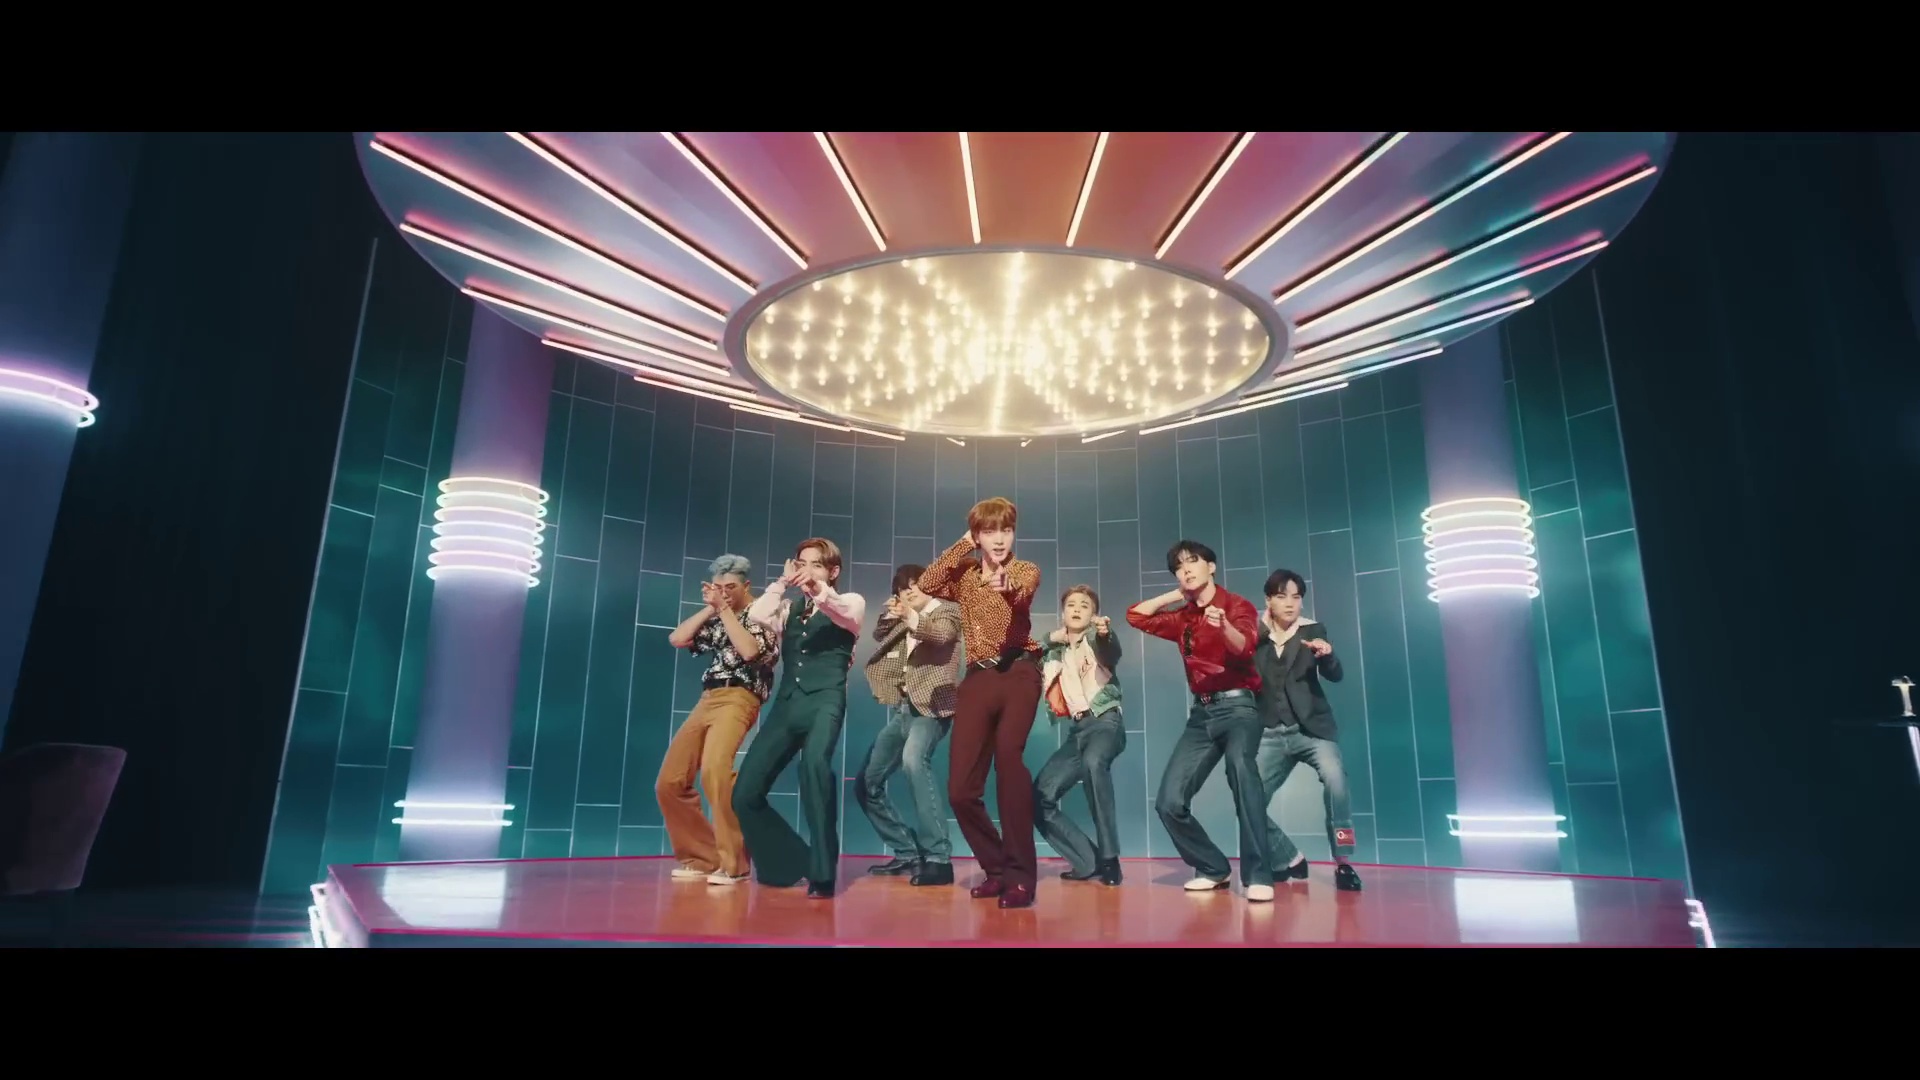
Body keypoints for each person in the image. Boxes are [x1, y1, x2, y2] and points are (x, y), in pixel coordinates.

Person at [1128, 540, 1277, 902]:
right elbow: (1136, 616)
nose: (1186, 570)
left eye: (1193, 562)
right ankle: (1212, 867)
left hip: (1239, 708)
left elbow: (1245, 646)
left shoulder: (1237, 605)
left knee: (1241, 771)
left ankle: (1259, 875)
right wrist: (1176, 594)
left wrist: (1223, 625)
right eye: (1179, 567)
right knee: (1169, 802)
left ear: (1212, 566)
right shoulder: (1184, 617)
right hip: (1202, 715)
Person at [919, 496, 1044, 909]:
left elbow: (1022, 595)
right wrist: (962, 545)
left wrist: (1007, 588)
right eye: (990, 531)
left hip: (1019, 672)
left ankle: (1021, 878)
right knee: (960, 790)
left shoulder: (1024, 570)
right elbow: (927, 584)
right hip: (977, 678)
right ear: (977, 535)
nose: (1000, 539)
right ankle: (997, 869)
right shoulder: (965, 574)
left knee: (1009, 761)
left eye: (1006, 530)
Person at [733, 538, 867, 899]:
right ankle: (794, 861)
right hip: (787, 705)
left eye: (816, 564)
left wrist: (817, 588)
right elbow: (758, 615)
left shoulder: (851, 601)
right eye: (801, 563)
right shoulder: (788, 609)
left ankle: (823, 873)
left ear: (833, 571)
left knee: (814, 769)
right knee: (744, 793)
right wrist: (782, 582)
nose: (806, 570)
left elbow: (843, 612)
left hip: (825, 701)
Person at [656, 554, 778, 886]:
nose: (724, 593)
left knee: (715, 772)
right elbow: (678, 638)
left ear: (746, 585)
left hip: (740, 696)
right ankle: (702, 858)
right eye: (718, 587)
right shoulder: (719, 612)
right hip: (708, 698)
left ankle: (734, 864)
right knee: (670, 781)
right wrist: (711, 609)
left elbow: (750, 652)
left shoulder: (762, 612)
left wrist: (723, 610)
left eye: (731, 587)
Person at [854, 564, 963, 887]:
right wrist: (893, 614)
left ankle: (939, 859)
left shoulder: (947, 610)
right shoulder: (904, 618)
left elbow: (941, 635)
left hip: (932, 707)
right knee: (867, 783)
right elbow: (879, 636)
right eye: (903, 589)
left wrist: (910, 616)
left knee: (914, 761)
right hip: (904, 710)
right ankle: (907, 852)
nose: (909, 591)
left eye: (916, 585)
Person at [1255, 569, 1362, 891]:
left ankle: (1344, 862)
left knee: (1336, 781)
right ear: (1269, 600)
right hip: (1270, 732)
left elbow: (1335, 674)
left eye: (1296, 597)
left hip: (1312, 730)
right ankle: (1287, 857)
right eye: (1281, 596)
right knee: (1247, 798)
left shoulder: (1313, 630)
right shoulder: (1253, 632)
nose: (1290, 603)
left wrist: (1327, 656)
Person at [1033, 584, 1128, 887]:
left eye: (1084, 605)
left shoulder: (1095, 639)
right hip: (1078, 732)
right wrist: (1051, 638)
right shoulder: (1054, 653)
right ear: (1063, 612)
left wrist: (1104, 633)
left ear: (1093, 615)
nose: (1076, 609)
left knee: (1093, 763)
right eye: (1071, 604)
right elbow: (1026, 655)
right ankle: (1088, 861)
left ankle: (1111, 859)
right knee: (1039, 797)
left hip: (1105, 723)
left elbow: (1110, 650)